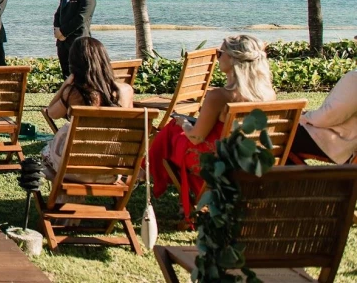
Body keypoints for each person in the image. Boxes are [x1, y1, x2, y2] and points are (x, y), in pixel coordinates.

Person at [148, 34, 276, 220]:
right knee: (174, 131)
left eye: (219, 53)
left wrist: (184, 123)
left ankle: (145, 174)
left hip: (217, 164)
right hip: (249, 160)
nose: (217, 57)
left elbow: (196, 138)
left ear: (232, 59)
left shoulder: (220, 96)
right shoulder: (269, 94)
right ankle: (147, 173)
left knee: (174, 132)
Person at [42, 37, 134, 178]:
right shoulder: (126, 91)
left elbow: (51, 112)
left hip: (74, 170)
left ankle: (61, 195)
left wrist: (65, 85)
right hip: (112, 171)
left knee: (45, 153)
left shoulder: (73, 93)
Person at [290, 69, 357, 164]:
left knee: (278, 133)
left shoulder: (354, 77)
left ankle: (300, 178)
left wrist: (304, 116)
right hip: (348, 144)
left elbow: (329, 116)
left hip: (336, 143)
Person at [52, 0, 95, 76]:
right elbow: (58, 14)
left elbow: (81, 18)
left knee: (80, 73)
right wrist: (57, 30)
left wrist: (63, 32)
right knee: (66, 73)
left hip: (78, 41)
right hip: (62, 42)